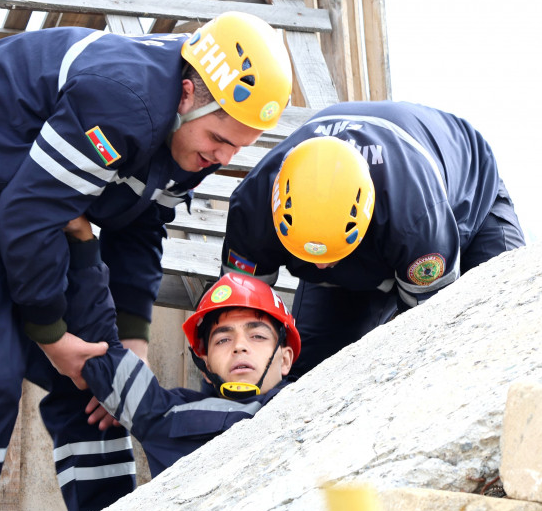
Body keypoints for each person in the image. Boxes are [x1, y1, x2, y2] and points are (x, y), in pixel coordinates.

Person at [0, 11, 293, 511]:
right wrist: (53, 337)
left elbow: (141, 226)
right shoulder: (125, 100)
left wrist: (133, 340)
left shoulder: (194, 139)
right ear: (188, 95)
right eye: (220, 139)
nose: (224, 157)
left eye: (238, 146)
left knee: (101, 377)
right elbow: (29, 215)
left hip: (25, 198)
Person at [221, 100, 525, 378]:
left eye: (331, 256)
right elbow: (232, 317)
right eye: (310, 255)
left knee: (496, 332)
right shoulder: (254, 205)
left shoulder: (416, 219)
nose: (322, 267)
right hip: (380, 235)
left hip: (470, 196)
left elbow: (430, 329)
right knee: (309, 371)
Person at [79, 269, 299, 477]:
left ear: (286, 360)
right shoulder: (166, 412)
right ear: (206, 367)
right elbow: (98, 350)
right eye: (223, 339)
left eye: (258, 336)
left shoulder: (308, 403)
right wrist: (83, 250)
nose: (239, 346)